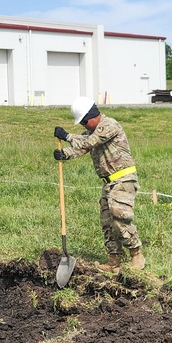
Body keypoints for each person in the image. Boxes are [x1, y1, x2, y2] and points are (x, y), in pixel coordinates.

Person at [53, 97, 144, 272]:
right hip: (109, 183)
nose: (84, 126)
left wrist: (67, 136)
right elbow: (82, 147)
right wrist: (64, 154)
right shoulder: (92, 132)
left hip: (124, 179)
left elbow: (90, 142)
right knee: (107, 222)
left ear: (92, 115)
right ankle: (113, 261)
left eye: (85, 122)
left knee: (120, 216)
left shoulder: (109, 125)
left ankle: (136, 254)